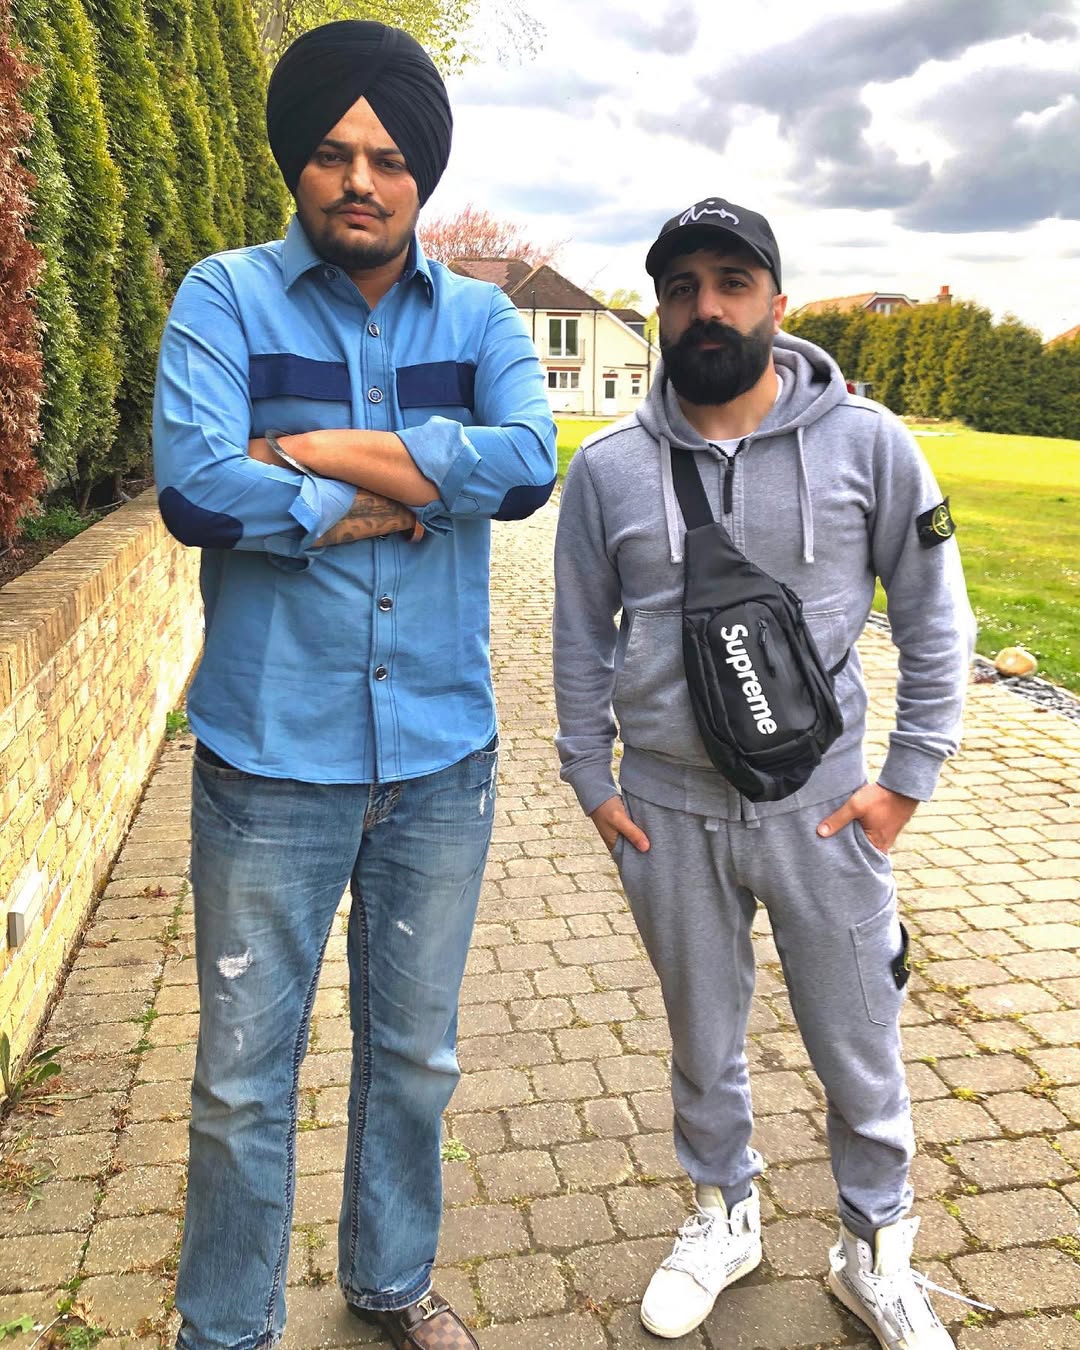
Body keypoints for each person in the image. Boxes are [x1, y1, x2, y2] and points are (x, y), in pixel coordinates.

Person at [153, 21, 556, 1350]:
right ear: (299, 162)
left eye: (388, 157)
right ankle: (227, 1328)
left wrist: (311, 452)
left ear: (422, 172)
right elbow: (200, 490)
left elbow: (529, 462)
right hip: (271, 762)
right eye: (333, 152)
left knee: (416, 1062)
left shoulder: (484, 316)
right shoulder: (225, 297)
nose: (361, 181)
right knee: (238, 1084)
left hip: (442, 761)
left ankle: (389, 1283)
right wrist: (410, 489)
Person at [553, 196, 974, 1347]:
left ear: (776, 303)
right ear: (659, 310)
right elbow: (578, 633)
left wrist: (905, 778)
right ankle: (722, 1217)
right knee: (702, 1040)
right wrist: (591, 778)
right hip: (666, 811)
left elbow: (936, 617)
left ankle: (872, 1252)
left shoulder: (869, 445)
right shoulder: (610, 470)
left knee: (859, 1041)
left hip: (827, 810)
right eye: (682, 287)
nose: (707, 307)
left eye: (732, 283)